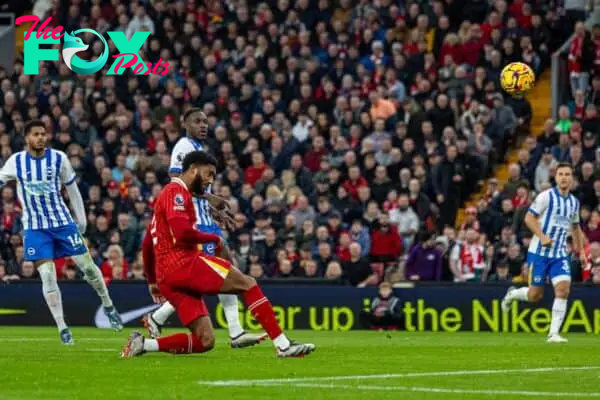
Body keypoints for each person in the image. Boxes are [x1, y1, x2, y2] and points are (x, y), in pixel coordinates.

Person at [121, 151, 315, 358]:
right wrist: (213, 239)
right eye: (208, 174)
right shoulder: (176, 192)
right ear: (193, 168)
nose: (210, 180)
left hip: (167, 277)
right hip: (183, 263)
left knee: (205, 340)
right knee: (248, 284)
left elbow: (147, 242)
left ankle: (143, 345)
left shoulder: (166, 199)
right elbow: (182, 233)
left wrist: (152, 280)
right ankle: (283, 345)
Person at [144, 108, 265, 348]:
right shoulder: (183, 147)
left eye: (206, 122)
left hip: (203, 219)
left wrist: (212, 208)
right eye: (197, 121)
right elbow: (177, 183)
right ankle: (159, 318)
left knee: (225, 268)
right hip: (192, 223)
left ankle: (234, 331)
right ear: (185, 123)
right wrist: (211, 199)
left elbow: (197, 191)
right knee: (217, 273)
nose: (203, 125)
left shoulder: (199, 150)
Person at [0, 120, 123, 344]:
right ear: (27, 138)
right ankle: (62, 328)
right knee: (47, 275)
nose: (41, 138)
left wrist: (82, 220)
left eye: (43, 134)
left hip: (63, 224)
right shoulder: (16, 162)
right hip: (36, 228)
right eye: (36, 134)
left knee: (87, 267)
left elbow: (73, 190)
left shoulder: (59, 158)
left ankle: (108, 305)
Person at [501, 163, 587, 343]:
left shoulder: (574, 202)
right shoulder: (546, 197)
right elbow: (529, 218)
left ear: (572, 178)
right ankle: (512, 294)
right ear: (556, 177)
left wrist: (581, 253)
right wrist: (542, 236)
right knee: (535, 295)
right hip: (539, 252)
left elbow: (576, 227)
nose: (564, 177)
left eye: (567, 174)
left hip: (560, 254)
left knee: (563, 289)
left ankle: (553, 333)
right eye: (561, 174)